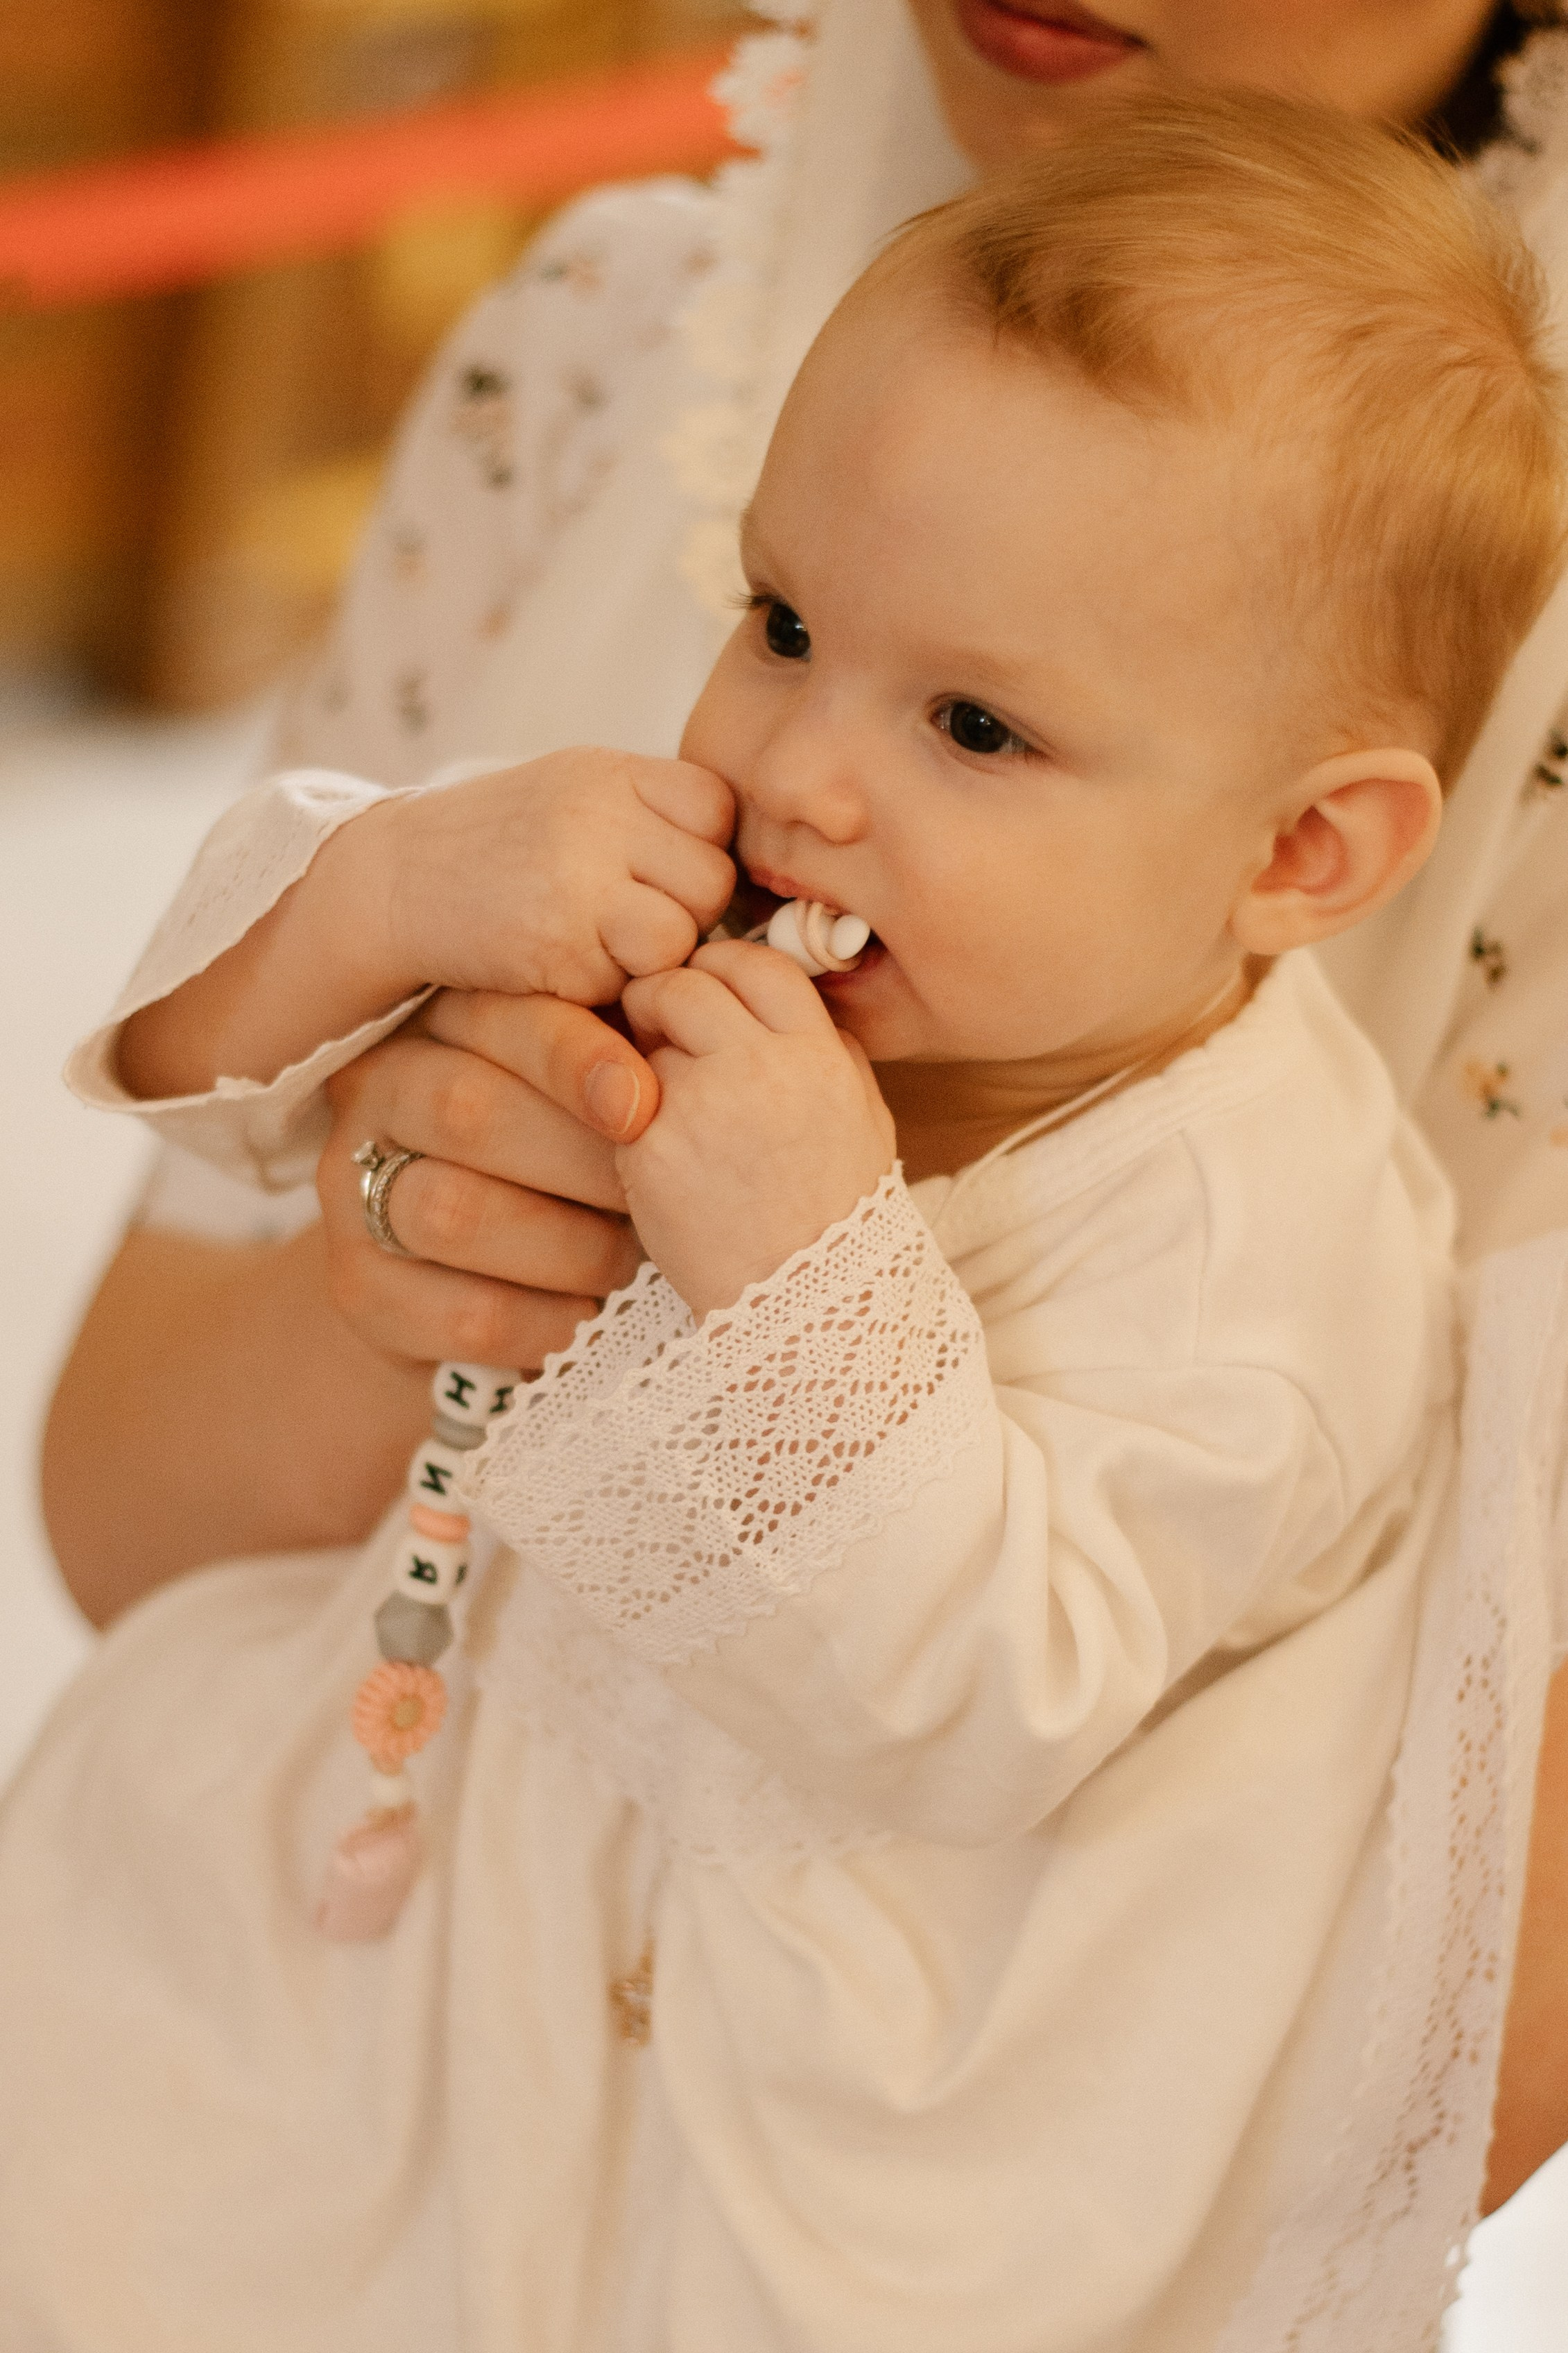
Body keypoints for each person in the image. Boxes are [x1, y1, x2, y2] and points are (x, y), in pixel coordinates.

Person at [6, 85, 1568, 2353]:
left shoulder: (1272, 1249)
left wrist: (807, 1268)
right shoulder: (730, 912)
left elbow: (978, 1698)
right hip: (408, 1979)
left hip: (803, 2150)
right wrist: (378, 902)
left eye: (974, 727)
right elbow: (180, 1089)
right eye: (784, 617)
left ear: (1300, 858)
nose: (802, 771)